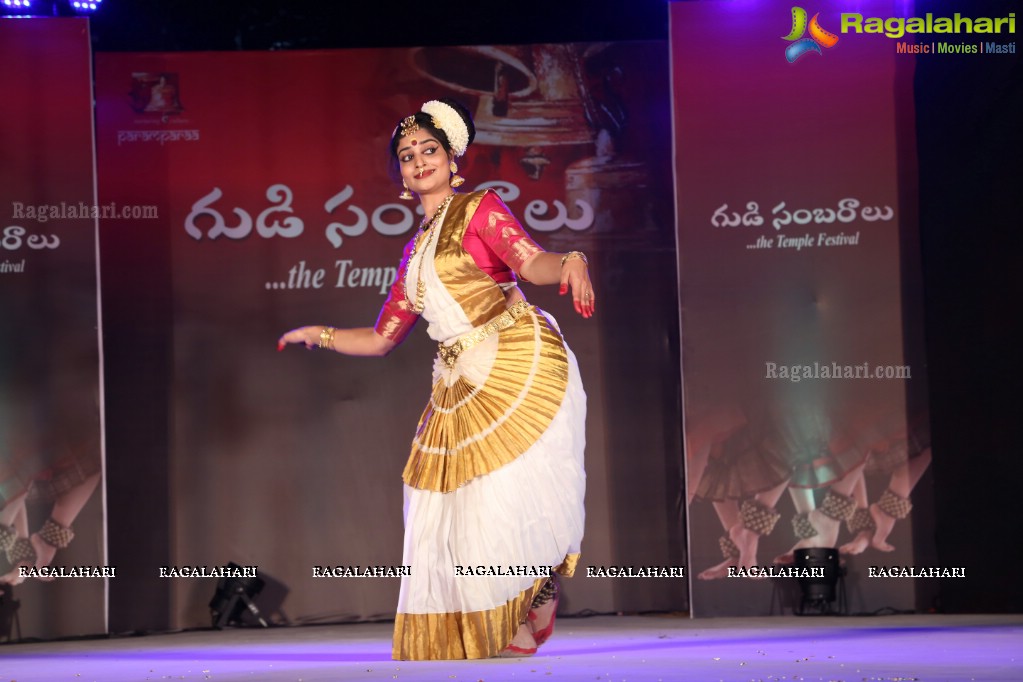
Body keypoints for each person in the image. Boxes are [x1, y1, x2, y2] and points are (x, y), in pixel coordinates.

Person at [277, 98, 592, 660]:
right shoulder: (413, 256)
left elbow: (531, 262)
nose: (418, 160)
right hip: (456, 382)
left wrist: (568, 259)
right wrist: (318, 334)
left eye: (429, 150)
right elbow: (380, 339)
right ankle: (507, 609)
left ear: (452, 159)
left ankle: (538, 588)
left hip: (510, 357)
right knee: (462, 508)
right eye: (407, 154)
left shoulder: (480, 210)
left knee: (513, 490)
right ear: (400, 173)